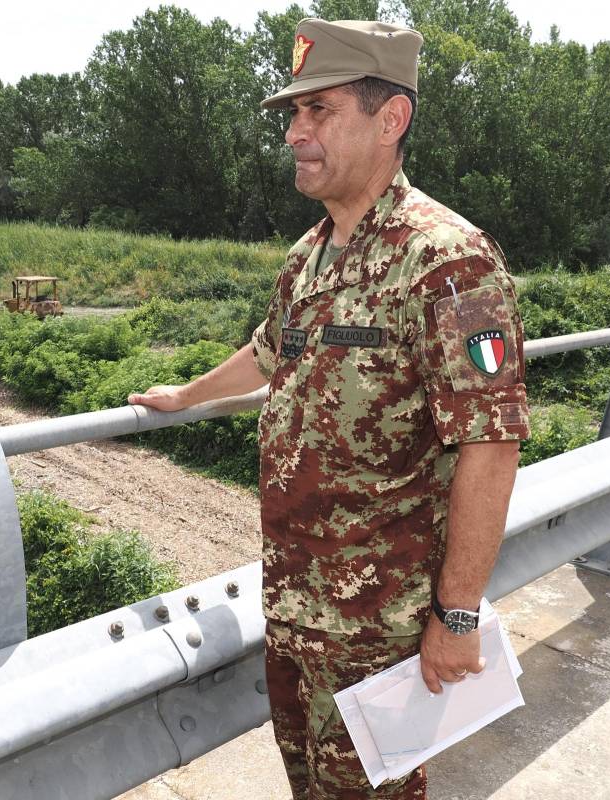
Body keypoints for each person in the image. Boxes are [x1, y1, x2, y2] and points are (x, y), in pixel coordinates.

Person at [128, 17, 528, 800]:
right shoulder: (309, 255)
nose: (295, 133)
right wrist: (185, 395)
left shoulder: (447, 259)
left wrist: (454, 619)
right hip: (293, 605)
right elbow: (269, 351)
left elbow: (491, 441)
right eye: (292, 114)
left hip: (381, 632)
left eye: (319, 111)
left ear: (390, 119)